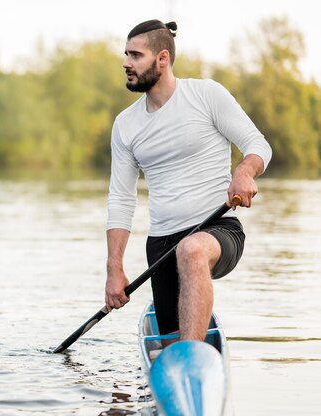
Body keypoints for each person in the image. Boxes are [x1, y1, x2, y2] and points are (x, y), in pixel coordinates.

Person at [105, 20, 272, 343]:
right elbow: (121, 200)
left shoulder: (205, 94)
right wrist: (114, 269)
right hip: (161, 245)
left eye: (136, 55)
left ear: (163, 58)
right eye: (126, 54)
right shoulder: (125, 125)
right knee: (170, 341)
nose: (126, 63)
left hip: (218, 228)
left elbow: (257, 144)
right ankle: (179, 355)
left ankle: (194, 357)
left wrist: (244, 171)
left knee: (192, 249)